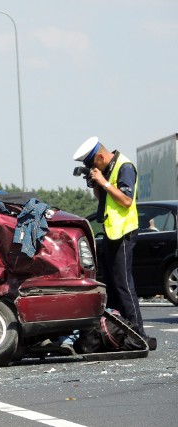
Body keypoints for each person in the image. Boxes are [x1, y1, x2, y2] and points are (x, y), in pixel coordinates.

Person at [73, 136, 156, 349]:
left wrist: (104, 182)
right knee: (111, 284)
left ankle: (138, 334)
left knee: (124, 285)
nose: (92, 168)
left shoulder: (125, 167)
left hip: (124, 233)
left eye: (92, 164)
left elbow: (126, 200)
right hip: (111, 233)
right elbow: (105, 200)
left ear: (100, 156)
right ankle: (118, 331)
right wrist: (96, 185)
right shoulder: (107, 169)